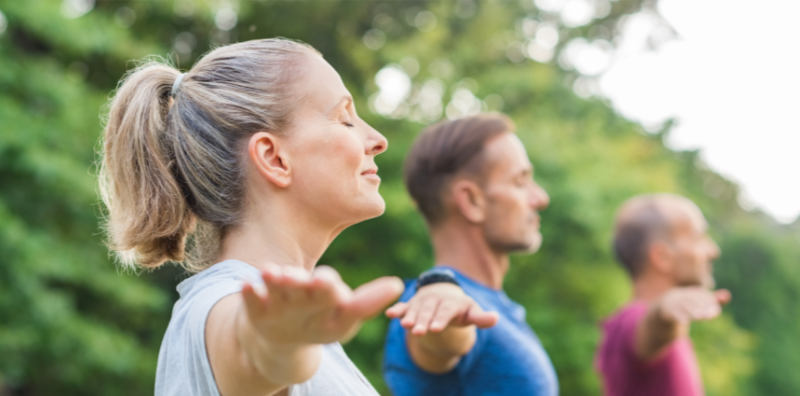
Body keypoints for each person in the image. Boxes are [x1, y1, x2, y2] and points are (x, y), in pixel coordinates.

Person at [99, 38, 465, 396]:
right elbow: (252, 348)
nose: (378, 139)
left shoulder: (299, 325)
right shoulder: (228, 305)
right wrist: (277, 342)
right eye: (345, 119)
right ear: (274, 159)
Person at [382, 114, 559, 396]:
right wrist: (443, 308)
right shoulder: (430, 306)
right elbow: (441, 336)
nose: (540, 198)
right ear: (472, 201)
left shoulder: (494, 306)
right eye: (520, 181)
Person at [595, 194, 732, 396]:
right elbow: (653, 325)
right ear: (663, 256)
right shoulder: (628, 323)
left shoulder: (672, 335)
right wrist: (664, 308)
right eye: (699, 238)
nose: (713, 251)